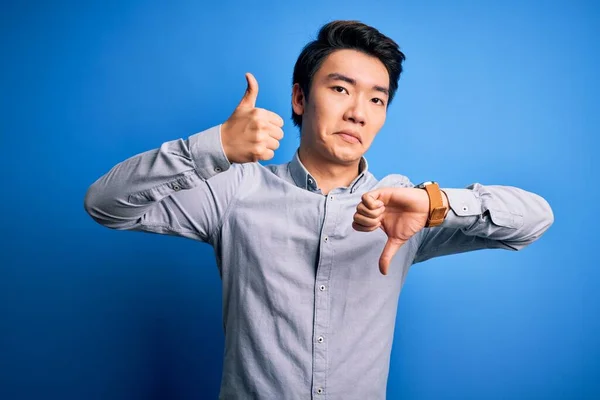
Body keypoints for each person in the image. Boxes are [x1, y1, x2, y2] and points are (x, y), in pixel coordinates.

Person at [84, 20, 554, 400]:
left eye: (377, 99)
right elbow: (105, 205)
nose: (358, 112)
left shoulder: (402, 206)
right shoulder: (236, 190)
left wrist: (438, 202)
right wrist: (213, 148)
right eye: (341, 89)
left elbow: (534, 220)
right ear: (300, 98)